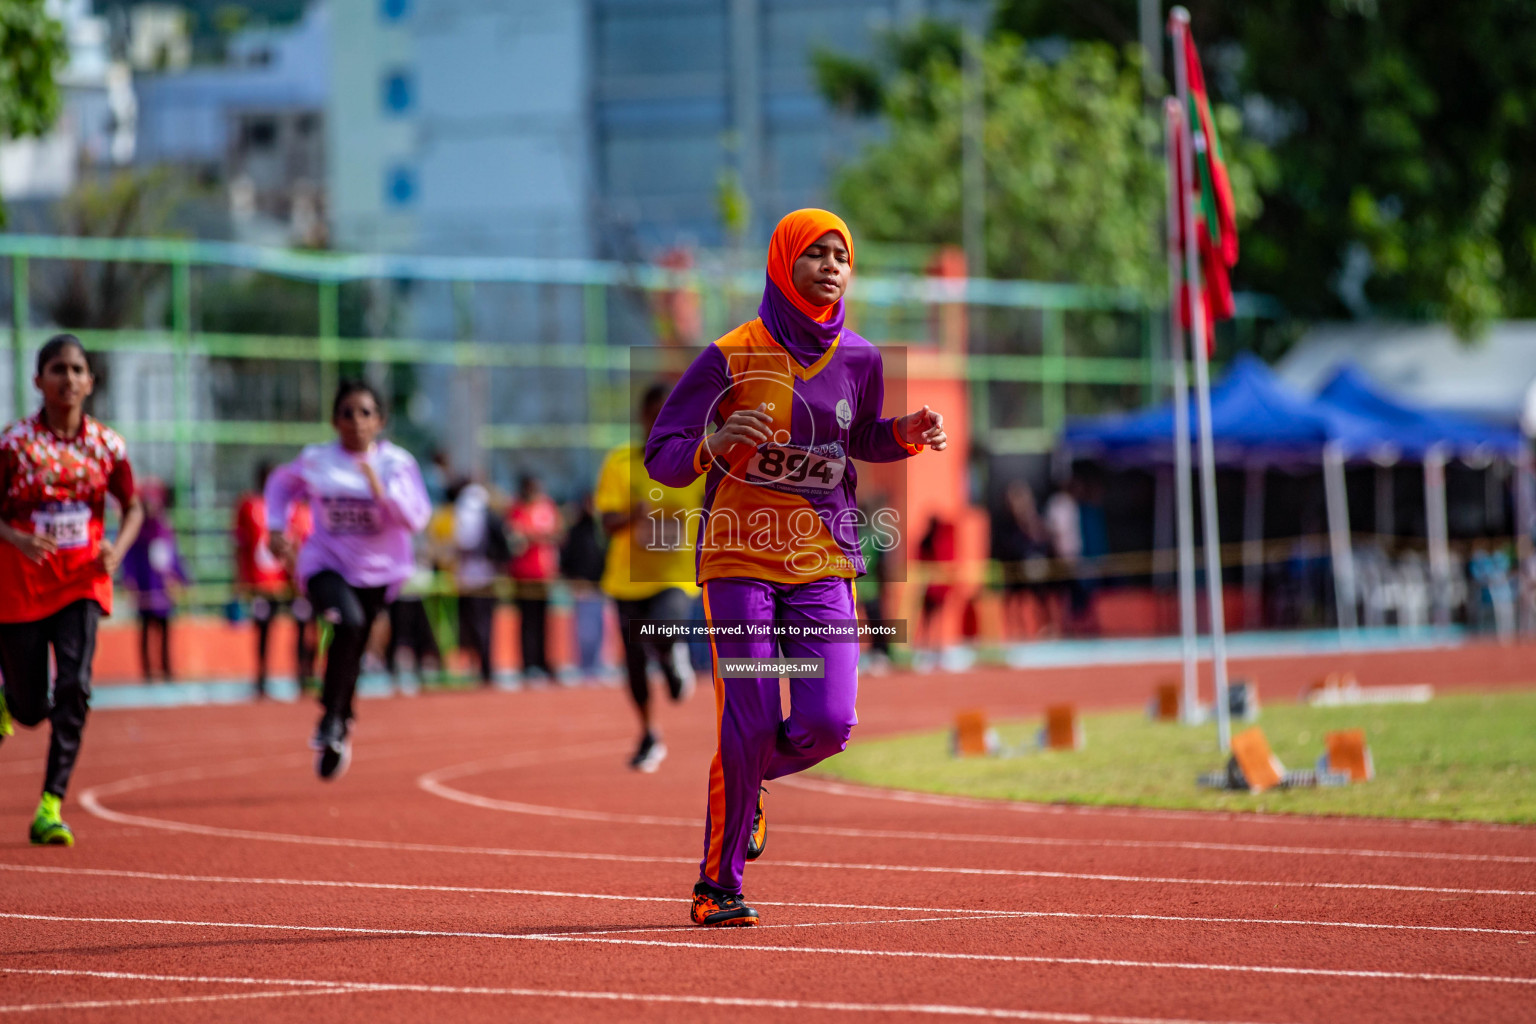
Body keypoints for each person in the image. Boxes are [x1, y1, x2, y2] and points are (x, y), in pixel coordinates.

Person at [645, 209, 947, 926]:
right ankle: (717, 886)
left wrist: (900, 436)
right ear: (783, 262)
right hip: (739, 558)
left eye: (843, 254)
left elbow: (860, 435)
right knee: (749, 716)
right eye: (816, 253)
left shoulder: (863, 359)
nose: (832, 265)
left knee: (829, 720)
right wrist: (715, 441)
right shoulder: (731, 354)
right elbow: (665, 454)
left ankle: (747, 785)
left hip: (822, 559)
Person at [0, 334, 143, 845]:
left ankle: (50, 804)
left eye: (77, 369)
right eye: (57, 369)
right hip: (21, 583)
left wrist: (117, 550)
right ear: (38, 381)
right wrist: (16, 535)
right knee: (31, 708)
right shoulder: (14, 444)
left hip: (82, 579)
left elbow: (134, 507)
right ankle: (11, 698)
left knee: (75, 688)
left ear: (91, 381)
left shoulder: (107, 445)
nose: (68, 378)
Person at [264, 380, 430, 780]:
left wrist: (382, 492)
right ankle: (332, 719)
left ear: (381, 420)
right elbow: (281, 485)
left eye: (365, 413)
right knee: (349, 623)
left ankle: (339, 720)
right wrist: (275, 527)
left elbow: (416, 519)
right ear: (334, 420)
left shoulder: (396, 465)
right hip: (325, 564)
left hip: (378, 573)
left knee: (353, 644)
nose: (356, 421)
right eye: (347, 413)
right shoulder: (318, 459)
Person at [594, 383, 702, 772]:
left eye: (670, 414)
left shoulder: (697, 462)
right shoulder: (621, 462)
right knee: (634, 664)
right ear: (642, 417)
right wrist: (634, 515)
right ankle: (649, 734)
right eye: (655, 414)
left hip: (676, 574)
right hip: (627, 578)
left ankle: (673, 653)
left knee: (663, 625)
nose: (662, 421)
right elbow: (606, 521)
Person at [234, 463, 317, 697]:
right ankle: (261, 679)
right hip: (263, 584)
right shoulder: (249, 506)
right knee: (263, 631)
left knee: (303, 629)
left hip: (293, 584)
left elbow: (304, 543)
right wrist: (240, 578)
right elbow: (241, 544)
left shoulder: (298, 509)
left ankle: (304, 677)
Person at [120, 479, 187, 682]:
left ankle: (166, 668)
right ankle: (147, 671)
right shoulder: (138, 531)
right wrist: (129, 580)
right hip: (145, 587)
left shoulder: (164, 528)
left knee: (165, 630)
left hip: (163, 589)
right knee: (145, 629)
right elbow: (129, 558)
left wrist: (181, 578)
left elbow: (173, 556)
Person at [448, 478, 508, 686]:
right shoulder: (487, 515)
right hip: (482, 574)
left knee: (472, 621)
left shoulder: (463, 512)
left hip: (469, 575)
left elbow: (460, 543)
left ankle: (479, 663)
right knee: (482, 621)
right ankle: (482, 665)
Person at [506, 474, 560, 682]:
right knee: (527, 621)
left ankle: (543, 661)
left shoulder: (546, 506)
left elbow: (555, 532)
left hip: (544, 573)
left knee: (544, 621)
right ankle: (528, 663)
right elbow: (517, 536)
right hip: (523, 573)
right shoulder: (518, 509)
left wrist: (535, 536)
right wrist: (536, 535)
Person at [559, 492, 609, 685]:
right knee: (583, 631)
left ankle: (597, 666)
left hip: (599, 586)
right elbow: (567, 557)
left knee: (599, 629)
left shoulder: (601, 530)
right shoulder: (576, 531)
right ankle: (583, 667)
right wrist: (572, 579)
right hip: (581, 586)